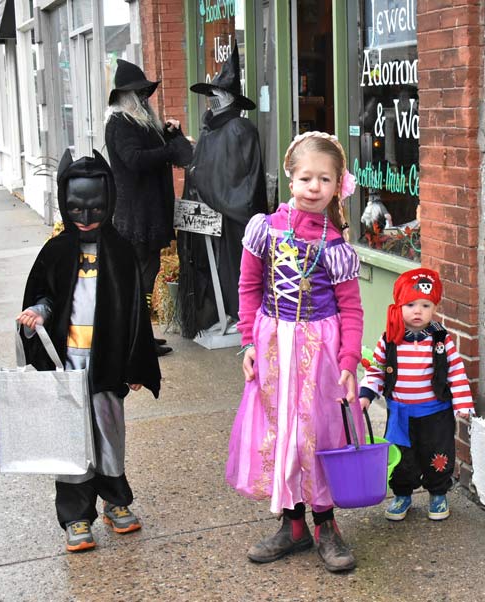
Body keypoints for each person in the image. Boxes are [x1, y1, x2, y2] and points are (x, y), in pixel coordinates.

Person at [225, 131, 363, 573]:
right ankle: (293, 523)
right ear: (290, 180)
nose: (314, 187)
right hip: (272, 347)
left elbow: (352, 308)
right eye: (306, 178)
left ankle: (325, 524)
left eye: (324, 179)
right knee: (282, 430)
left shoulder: (336, 245)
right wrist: (248, 340)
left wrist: (348, 360)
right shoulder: (264, 229)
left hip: (321, 351)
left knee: (318, 433)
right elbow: (248, 287)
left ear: (337, 184)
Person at [16, 150, 161, 553]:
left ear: (109, 202)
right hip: (68, 364)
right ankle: (77, 517)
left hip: (108, 363)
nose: (85, 215)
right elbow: (45, 295)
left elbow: (136, 314)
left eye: (96, 206)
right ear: (65, 203)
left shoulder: (121, 252)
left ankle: (116, 501)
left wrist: (135, 364)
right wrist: (37, 312)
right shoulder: (55, 252)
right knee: (71, 440)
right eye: (77, 207)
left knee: (110, 437)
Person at [358, 268, 474, 522]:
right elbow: (377, 370)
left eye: (425, 305)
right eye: (410, 304)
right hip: (400, 413)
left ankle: (437, 493)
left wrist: (462, 403)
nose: (418, 311)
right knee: (402, 457)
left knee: (437, 454)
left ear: (434, 308)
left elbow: (455, 371)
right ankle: (402, 495)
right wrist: (366, 394)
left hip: (435, 414)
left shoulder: (440, 340)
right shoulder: (390, 339)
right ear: (399, 306)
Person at [179, 42, 267, 338]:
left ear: (229, 97)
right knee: (219, 266)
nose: (210, 102)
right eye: (209, 96)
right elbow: (205, 165)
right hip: (214, 215)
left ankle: (240, 316)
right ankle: (225, 312)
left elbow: (240, 179)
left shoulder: (240, 130)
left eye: (215, 95)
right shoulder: (213, 129)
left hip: (236, 217)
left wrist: (210, 187)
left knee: (237, 269)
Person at [105, 58, 192, 356]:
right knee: (140, 276)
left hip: (148, 212)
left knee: (147, 272)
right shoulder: (120, 123)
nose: (145, 99)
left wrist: (167, 134)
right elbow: (134, 159)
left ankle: (141, 336)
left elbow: (148, 151)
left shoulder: (134, 122)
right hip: (136, 215)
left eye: (145, 93)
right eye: (139, 94)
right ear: (127, 96)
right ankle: (136, 340)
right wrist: (168, 149)